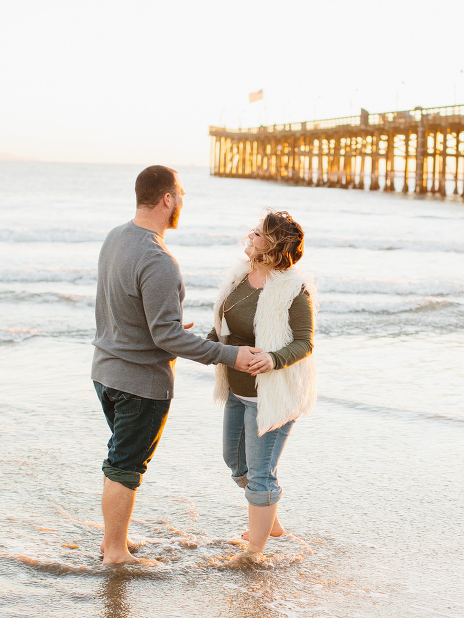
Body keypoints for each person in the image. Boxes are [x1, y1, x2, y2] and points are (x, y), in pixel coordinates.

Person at [92, 165, 260, 565]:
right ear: (167, 198)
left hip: (104, 373)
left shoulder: (116, 237)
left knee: (119, 457)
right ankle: (115, 552)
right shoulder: (159, 258)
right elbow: (166, 338)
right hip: (140, 383)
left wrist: (164, 323)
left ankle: (114, 541)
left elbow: (121, 304)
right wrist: (230, 354)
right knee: (125, 465)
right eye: (181, 194)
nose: (183, 201)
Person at [207, 209, 317, 562]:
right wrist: (195, 342)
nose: (249, 236)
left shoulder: (292, 289)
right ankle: (271, 523)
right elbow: (224, 329)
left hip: (272, 397)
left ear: (273, 245)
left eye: (257, 234)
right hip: (237, 391)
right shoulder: (239, 277)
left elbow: (304, 342)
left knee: (260, 475)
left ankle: (254, 553)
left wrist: (272, 359)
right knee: (235, 464)